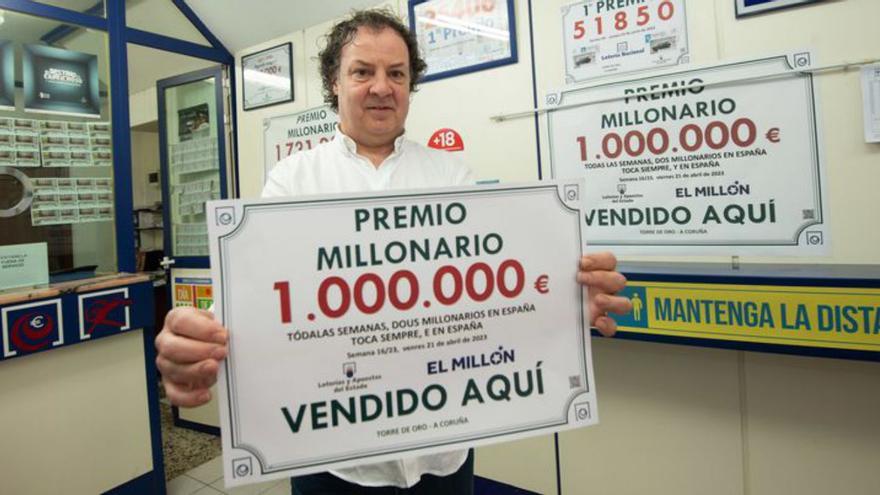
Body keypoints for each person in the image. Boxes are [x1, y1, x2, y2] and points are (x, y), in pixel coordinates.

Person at [154, 8, 632, 494]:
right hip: (334, 462)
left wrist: (565, 305)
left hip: (445, 454)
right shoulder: (292, 182)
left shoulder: (451, 177)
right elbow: (257, 305)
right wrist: (198, 344)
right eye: (363, 72)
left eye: (397, 74)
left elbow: (488, 302)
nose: (382, 87)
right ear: (334, 83)